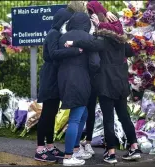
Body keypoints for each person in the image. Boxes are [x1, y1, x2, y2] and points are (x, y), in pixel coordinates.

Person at [64, 13, 141, 164]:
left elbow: (90, 44)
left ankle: (111, 153)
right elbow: (131, 52)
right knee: (124, 116)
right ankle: (134, 146)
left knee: (108, 119)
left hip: (106, 84)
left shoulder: (102, 39)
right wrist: (120, 31)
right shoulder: (121, 41)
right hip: (121, 84)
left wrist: (73, 42)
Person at [35, 8, 82, 163]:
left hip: (54, 77)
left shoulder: (56, 33)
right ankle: (40, 149)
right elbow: (54, 53)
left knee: (52, 112)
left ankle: (50, 146)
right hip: (50, 77)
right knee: (47, 114)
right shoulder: (54, 34)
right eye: (67, 21)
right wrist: (75, 51)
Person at [54, 12, 100, 166]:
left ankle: (74, 149)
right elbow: (95, 63)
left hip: (64, 79)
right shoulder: (88, 38)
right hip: (81, 80)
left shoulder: (62, 38)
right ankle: (69, 156)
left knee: (83, 113)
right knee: (75, 117)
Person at [81, 0, 120, 156]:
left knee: (96, 110)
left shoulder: (102, 27)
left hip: (98, 74)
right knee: (92, 109)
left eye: (90, 11)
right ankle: (91, 143)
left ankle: (92, 143)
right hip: (100, 75)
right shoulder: (91, 24)